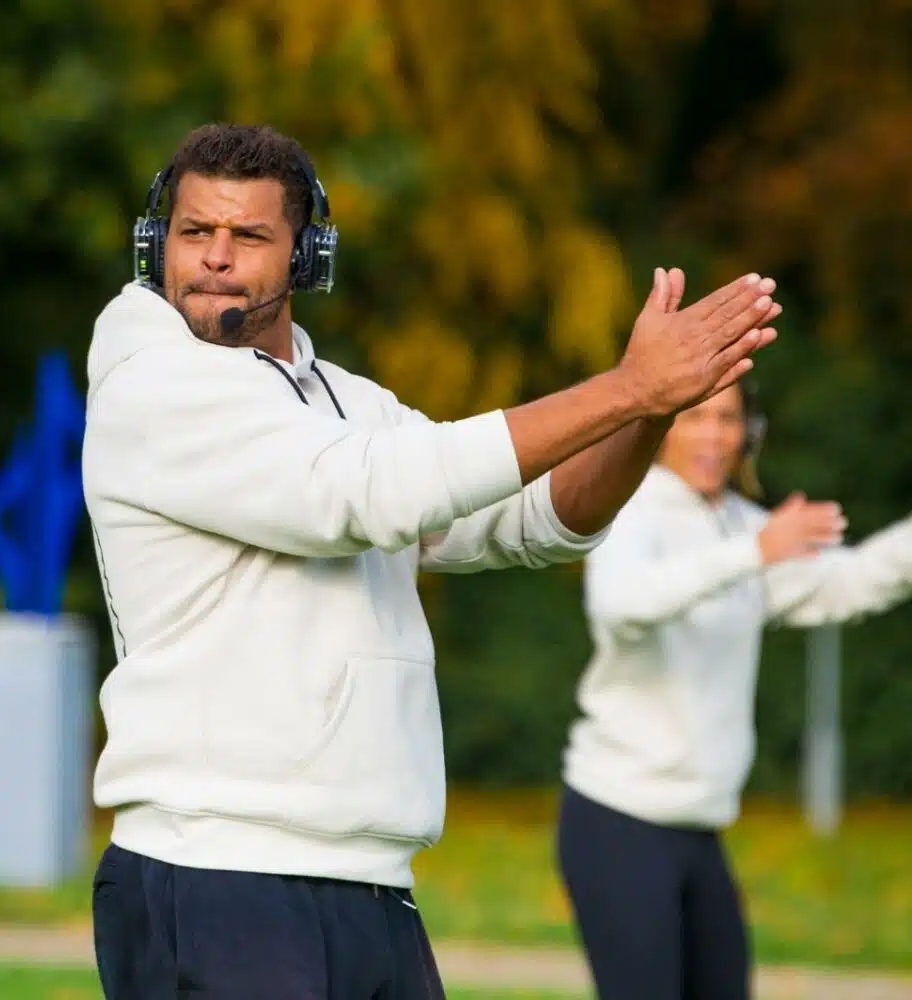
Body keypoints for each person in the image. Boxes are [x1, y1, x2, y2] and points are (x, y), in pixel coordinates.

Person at [82, 122, 780, 1000]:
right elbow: (369, 492)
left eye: (248, 235)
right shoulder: (152, 385)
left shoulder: (348, 404)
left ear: (306, 256)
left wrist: (650, 412)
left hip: (370, 884)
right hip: (218, 876)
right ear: (156, 243)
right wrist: (625, 387)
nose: (215, 257)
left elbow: (534, 518)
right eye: (193, 232)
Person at [556, 380, 912, 1000]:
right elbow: (620, 604)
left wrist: (757, 548)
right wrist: (753, 552)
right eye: (696, 417)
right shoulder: (632, 508)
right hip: (618, 821)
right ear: (662, 427)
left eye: (728, 419)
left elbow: (847, 582)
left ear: (748, 432)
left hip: (700, 827)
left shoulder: (740, 524)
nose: (714, 435)